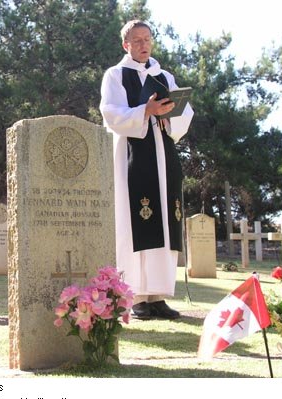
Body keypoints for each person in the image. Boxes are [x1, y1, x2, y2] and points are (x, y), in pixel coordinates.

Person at [99, 20, 193, 320]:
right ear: (126, 45)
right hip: (133, 158)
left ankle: (158, 296)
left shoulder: (164, 76)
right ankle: (137, 296)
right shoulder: (115, 75)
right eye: (137, 40)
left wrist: (169, 116)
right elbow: (110, 114)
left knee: (165, 222)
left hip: (164, 157)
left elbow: (185, 112)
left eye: (147, 39)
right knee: (135, 221)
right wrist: (145, 111)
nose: (143, 44)